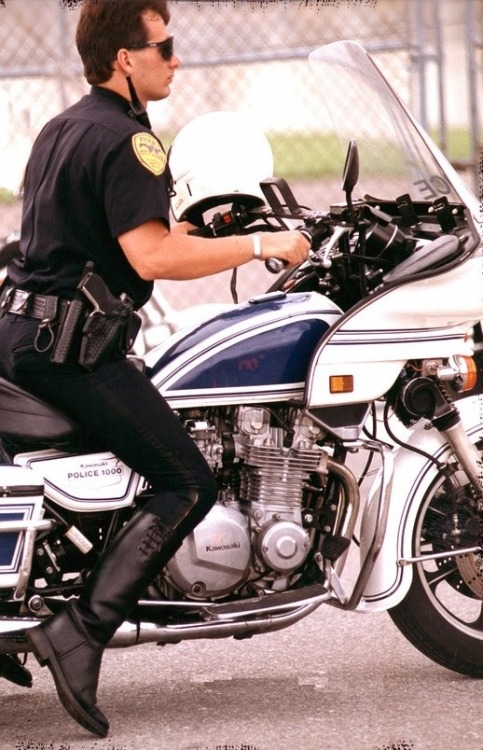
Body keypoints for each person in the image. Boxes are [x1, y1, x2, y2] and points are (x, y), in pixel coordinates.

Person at [0, 0, 309, 739]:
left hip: (22, 337)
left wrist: (201, 229)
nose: (176, 59)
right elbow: (152, 259)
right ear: (123, 59)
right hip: (74, 356)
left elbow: (104, 235)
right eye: (163, 47)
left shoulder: (65, 125)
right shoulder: (132, 141)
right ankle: (79, 632)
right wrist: (264, 246)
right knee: (187, 477)